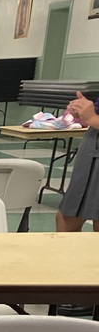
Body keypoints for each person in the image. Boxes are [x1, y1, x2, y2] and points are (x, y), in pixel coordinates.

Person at [55, 90, 99, 232]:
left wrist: (92, 118)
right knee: (67, 217)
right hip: (92, 147)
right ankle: (65, 254)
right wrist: (83, 111)